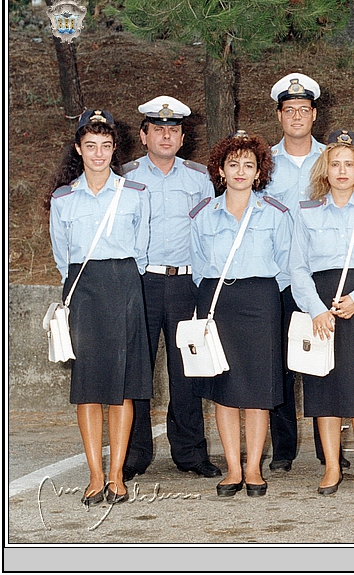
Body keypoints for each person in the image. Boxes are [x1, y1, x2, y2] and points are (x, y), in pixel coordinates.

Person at [48, 109, 152, 505]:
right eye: (90, 146)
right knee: (89, 388)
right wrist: (81, 284)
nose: (98, 154)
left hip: (124, 286)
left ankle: (117, 476)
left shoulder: (135, 194)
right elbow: (63, 256)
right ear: (78, 149)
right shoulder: (64, 199)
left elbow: (139, 252)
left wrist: (121, 281)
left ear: (114, 150)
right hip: (84, 290)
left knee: (123, 387)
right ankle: (94, 476)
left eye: (106, 146)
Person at [121, 96, 221, 483]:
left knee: (188, 369)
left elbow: (208, 234)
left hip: (186, 282)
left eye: (173, 129)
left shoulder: (198, 180)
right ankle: (135, 454)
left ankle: (191, 453)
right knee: (137, 370)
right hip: (141, 281)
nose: (166, 135)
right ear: (144, 136)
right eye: (158, 129)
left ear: (182, 138)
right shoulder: (126, 177)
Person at [190, 131, 292, 498]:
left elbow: (285, 267)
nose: (240, 171)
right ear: (220, 169)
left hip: (260, 301)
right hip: (218, 301)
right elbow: (199, 266)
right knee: (225, 389)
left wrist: (257, 293)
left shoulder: (277, 214)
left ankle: (254, 469)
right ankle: (233, 468)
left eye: (249, 165)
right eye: (233, 164)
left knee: (257, 390)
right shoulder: (204, 215)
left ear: (259, 172)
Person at [290, 133, 354, 496]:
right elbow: (297, 268)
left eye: (349, 164)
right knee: (325, 389)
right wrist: (316, 310)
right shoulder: (307, 211)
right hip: (320, 304)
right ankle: (332, 465)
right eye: (336, 164)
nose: (342, 170)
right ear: (325, 170)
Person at [264, 73, 327, 474]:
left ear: (315, 114)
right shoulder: (265, 163)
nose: (298, 116)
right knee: (280, 366)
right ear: (280, 115)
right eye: (290, 110)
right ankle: (284, 449)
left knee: (324, 364)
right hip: (279, 278)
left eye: (304, 109)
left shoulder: (333, 157)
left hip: (323, 277)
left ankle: (327, 451)